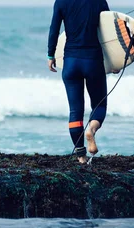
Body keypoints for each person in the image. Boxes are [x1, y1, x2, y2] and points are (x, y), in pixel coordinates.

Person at [47, 0, 113, 164]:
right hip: (92, 61)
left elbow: (54, 29)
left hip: (71, 63)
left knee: (75, 112)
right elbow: (108, 32)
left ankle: (81, 157)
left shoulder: (61, 2)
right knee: (100, 105)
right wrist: (115, 61)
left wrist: (50, 55)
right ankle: (91, 129)